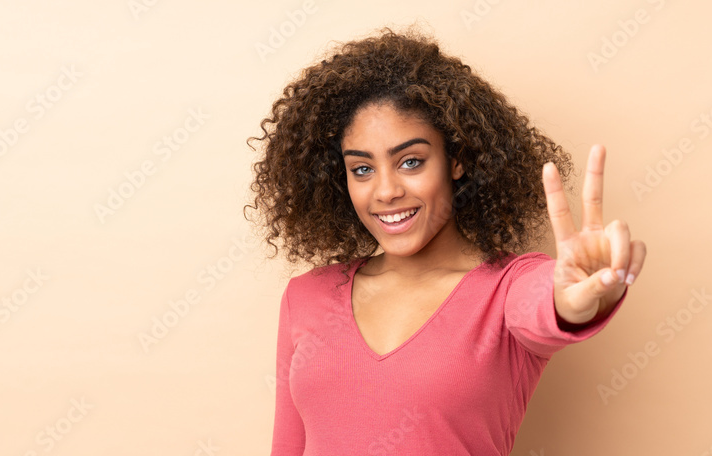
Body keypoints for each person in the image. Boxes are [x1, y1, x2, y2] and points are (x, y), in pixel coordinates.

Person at [246, 26, 647, 456]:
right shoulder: (307, 295)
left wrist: (578, 296)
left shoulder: (507, 288)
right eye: (361, 169)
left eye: (411, 161)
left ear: (455, 161)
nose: (385, 191)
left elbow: (549, 304)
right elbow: (286, 447)